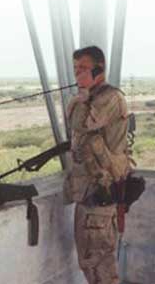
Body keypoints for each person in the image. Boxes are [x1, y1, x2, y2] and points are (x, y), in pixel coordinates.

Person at [63, 46, 131, 284]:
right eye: (75, 69)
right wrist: (82, 96)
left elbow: (82, 124)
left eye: (82, 68)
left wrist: (81, 98)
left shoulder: (110, 98)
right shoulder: (91, 98)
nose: (76, 74)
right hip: (88, 195)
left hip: (100, 197)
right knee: (88, 263)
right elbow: (74, 127)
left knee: (101, 265)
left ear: (98, 69)